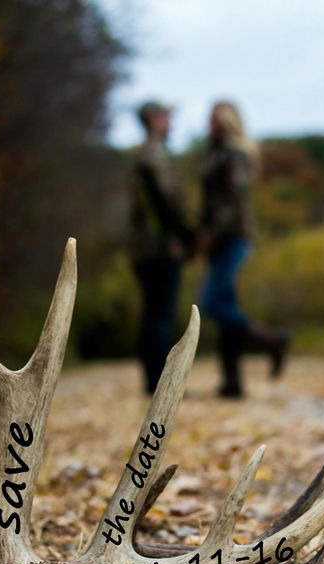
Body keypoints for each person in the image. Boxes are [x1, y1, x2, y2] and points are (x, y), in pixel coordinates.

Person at [199, 101, 289, 397]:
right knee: (226, 304)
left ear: (227, 121)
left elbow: (234, 200)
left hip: (232, 236)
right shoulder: (215, 151)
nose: (209, 123)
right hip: (221, 238)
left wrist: (211, 234)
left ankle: (272, 341)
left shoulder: (235, 153)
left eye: (214, 119)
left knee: (212, 303)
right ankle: (232, 382)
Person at [129, 101, 195, 394]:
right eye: (167, 117)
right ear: (154, 119)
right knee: (160, 315)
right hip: (159, 248)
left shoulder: (143, 153)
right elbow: (168, 199)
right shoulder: (154, 153)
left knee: (153, 313)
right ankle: (159, 384)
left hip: (145, 248)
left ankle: (153, 381)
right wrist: (189, 234)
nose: (171, 123)